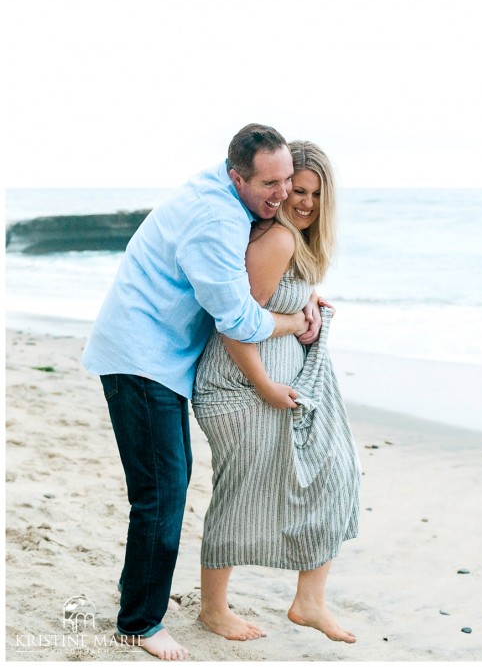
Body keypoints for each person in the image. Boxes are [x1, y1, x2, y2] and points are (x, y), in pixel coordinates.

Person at [82, 124, 322, 661]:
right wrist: (293, 319)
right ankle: (140, 623)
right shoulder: (215, 220)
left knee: (164, 485)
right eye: (271, 184)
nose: (282, 194)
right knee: (162, 492)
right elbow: (238, 319)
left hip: (152, 355)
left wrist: (304, 292)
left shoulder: (224, 191)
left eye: (287, 179)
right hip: (141, 359)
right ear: (236, 176)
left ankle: (135, 593)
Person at [192, 141, 362, 644]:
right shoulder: (277, 240)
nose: (305, 201)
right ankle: (212, 609)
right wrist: (265, 384)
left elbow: (267, 297)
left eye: (315, 192)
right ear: (281, 188)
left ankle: (309, 601)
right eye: (296, 189)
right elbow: (233, 327)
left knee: (336, 472)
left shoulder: (294, 242)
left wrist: (307, 296)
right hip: (238, 386)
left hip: (268, 386)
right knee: (242, 490)